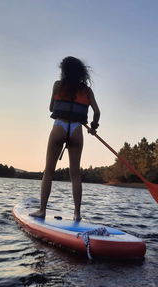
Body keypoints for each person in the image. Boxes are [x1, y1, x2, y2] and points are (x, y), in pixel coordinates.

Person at [31, 56, 100, 220]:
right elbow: (97, 112)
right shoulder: (87, 90)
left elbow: (51, 108)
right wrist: (93, 127)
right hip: (77, 129)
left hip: (59, 127)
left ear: (64, 71)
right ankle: (77, 214)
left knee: (48, 171)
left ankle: (42, 210)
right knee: (75, 174)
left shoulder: (58, 85)